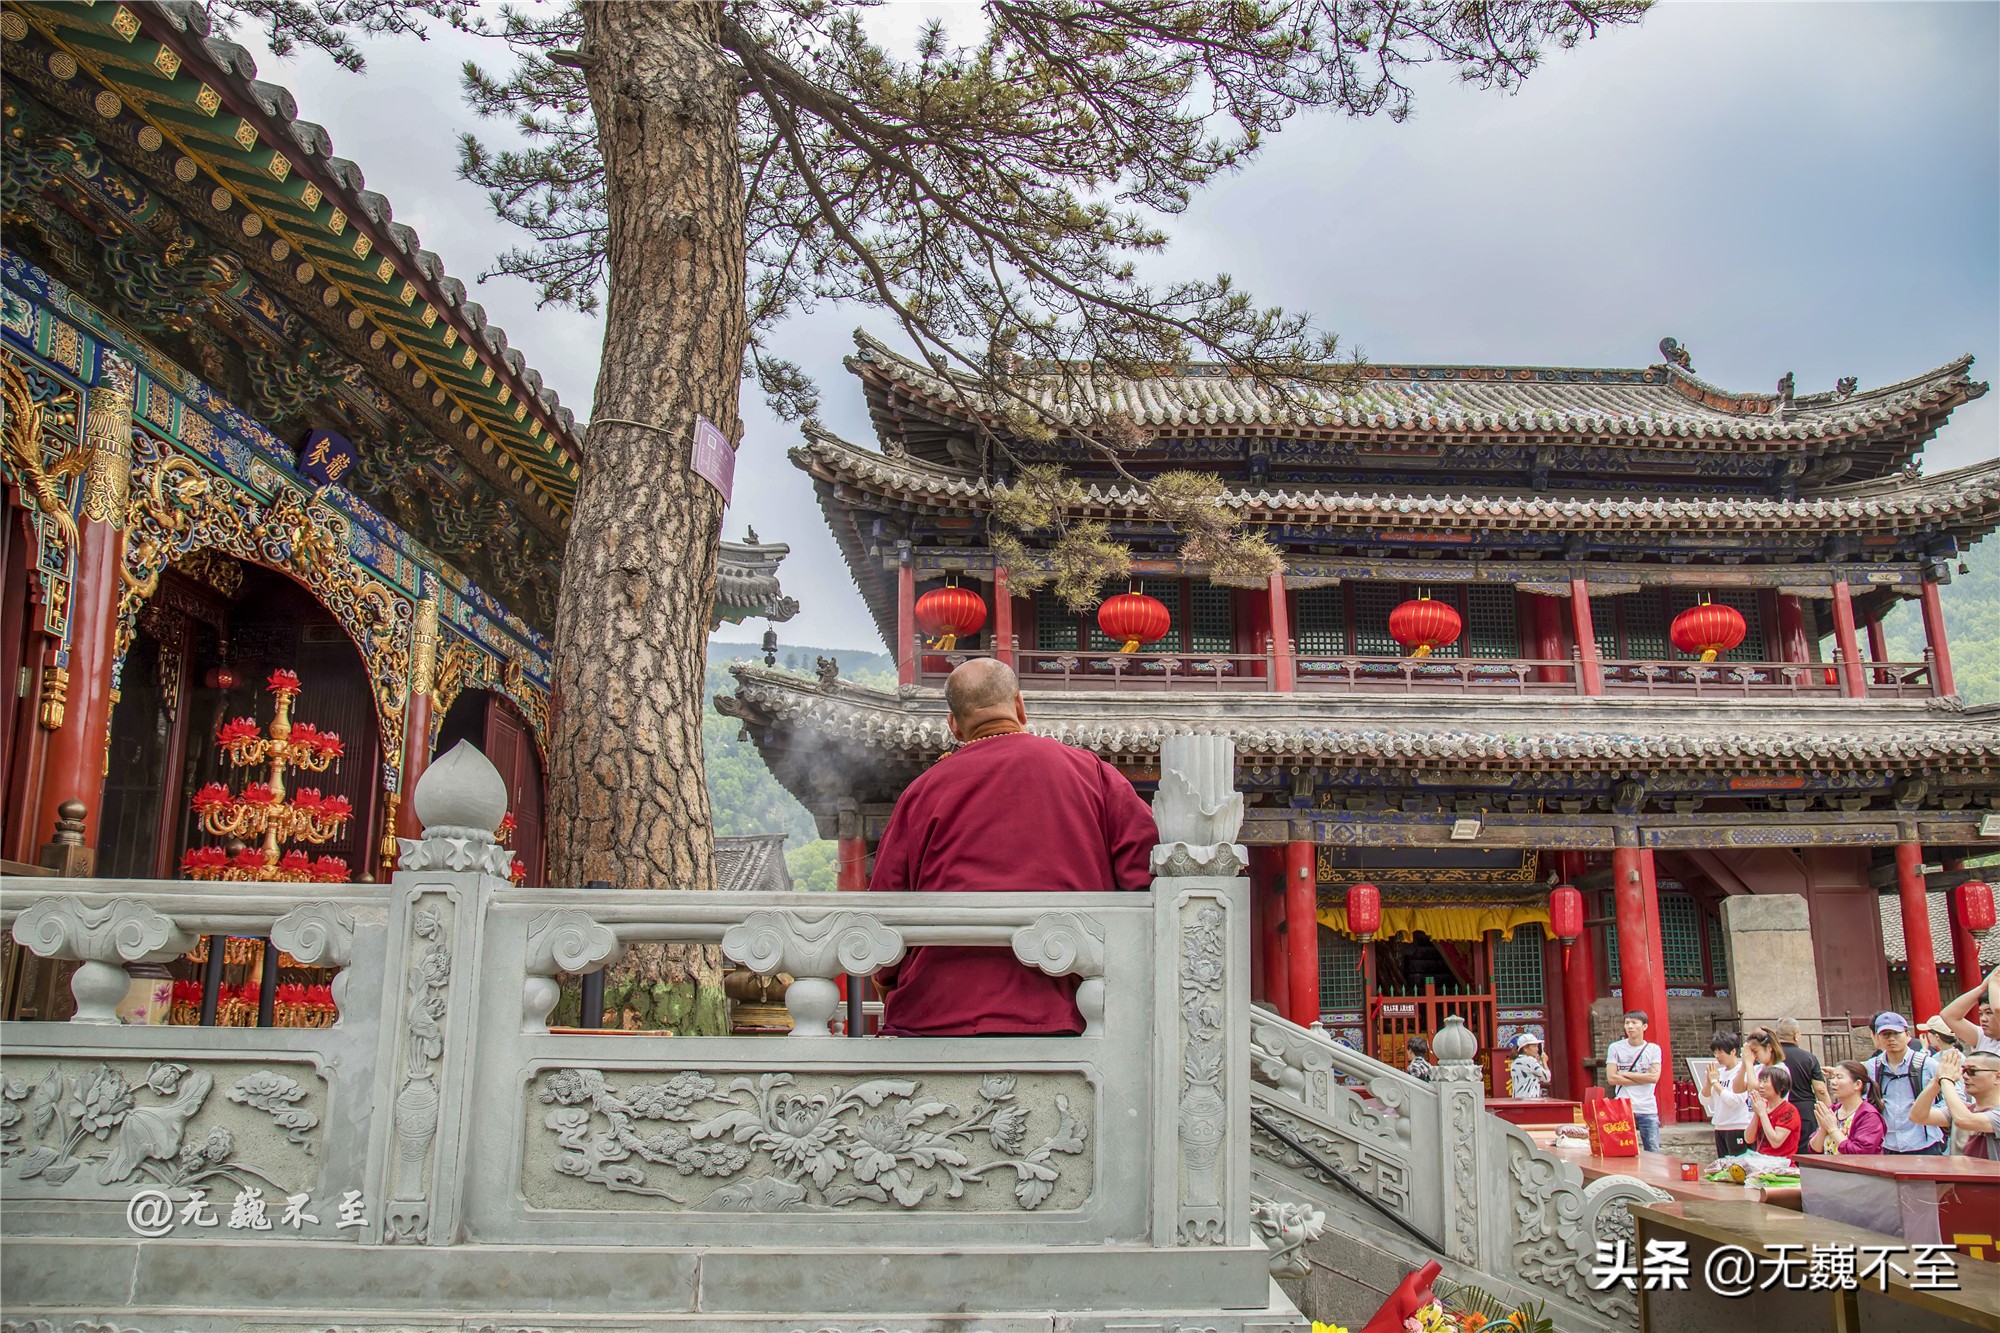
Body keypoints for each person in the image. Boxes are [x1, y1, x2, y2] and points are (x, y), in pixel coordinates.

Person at [867, 659, 1157, 1036]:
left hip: (934, 1015)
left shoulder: (922, 792)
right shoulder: (1093, 774)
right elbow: (1146, 879)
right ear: (1020, 706)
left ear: (953, 725)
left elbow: (883, 912)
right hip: (1072, 1010)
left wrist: (888, 982)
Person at [1864, 1012, 1946, 1156]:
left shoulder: (1928, 1064)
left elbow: (1953, 1098)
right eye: (1885, 1034)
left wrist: (1927, 1110)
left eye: (1896, 1033)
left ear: (1908, 1035)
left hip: (1924, 1142)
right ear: (1878, 1037)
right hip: (1886, 1143)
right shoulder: (1872, 1067)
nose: (1891, 1039)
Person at [1910, 1046, 2000, 1158]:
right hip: (1960, 1174)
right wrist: (1936, 1081)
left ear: (1997, 1077)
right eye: (1963, 1071)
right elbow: (1917, 1116)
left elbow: (1964, 1120)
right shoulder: (1963, 1109)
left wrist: (1946, 1080)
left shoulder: (1993, 1113)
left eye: (1972, 1071)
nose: (1965, 1076)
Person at [1606, 1010, 1664, 1153]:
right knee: (1622, 1151)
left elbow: (1654, 1078)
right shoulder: (1615, 1048)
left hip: (1647, 1108)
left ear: (1644, 1026)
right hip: (1623, 1107)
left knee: (1653, 1151)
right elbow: (1612, 1078)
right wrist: (1643, 1078)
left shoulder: (1653, 1049)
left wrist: (1625, 1074)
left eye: (1634, 1023)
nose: (1630, 1027)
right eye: (1627, 1023)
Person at [1773, 1018, 1829, 1151]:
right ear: (1796, 1036)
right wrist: (1829, 1111)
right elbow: (1820, 1089)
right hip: (1804, 1110)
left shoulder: (1771, 1057)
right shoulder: (1808, 1058)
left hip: (1778, 1109)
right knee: (1805, 1152)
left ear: (1775, 1034)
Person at [1810, 1061, 1887, 1156]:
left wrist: (1832, 1129)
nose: (1833, 1082)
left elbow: (1860, 1152)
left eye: (1839, 1077)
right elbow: (1814, 1149)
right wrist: (1823, 1128)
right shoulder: (1833, 1110)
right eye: (1833, 1077)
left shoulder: (1869, 1116)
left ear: (1857, 1084)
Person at [1702, 1031, 1754, 1158]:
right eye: (1715, 1052)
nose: (1717, 1056)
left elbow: (1734, 1100)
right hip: (1720, 1126)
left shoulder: (1742, 1071)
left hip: (1738, 1125)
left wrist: (1715, 1082)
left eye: (1721, 1052)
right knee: (1723, 1167)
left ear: (1733, 1052)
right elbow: (1704, 1100)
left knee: (1739, 1167)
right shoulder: (1718, 1072)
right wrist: (1709, 1082)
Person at [1938, 963, 2000, 1056]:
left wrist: (1994, 981)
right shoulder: (1982, 1038)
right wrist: (1982, 987)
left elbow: (1997, 1009)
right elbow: (1948, 1015)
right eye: (1980, 1013)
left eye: (1989, 1013)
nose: (1983, 1019)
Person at [1744, 1064, 1803, 1159]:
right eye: (1760, 1081)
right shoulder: (1763, 1106)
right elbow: (1748, 1139)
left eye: (1766, 1082)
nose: (1761, 1086)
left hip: (1782, 1164)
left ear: (1781, 1087)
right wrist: (1757, 1113)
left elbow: (1776, 1142)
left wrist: (1762, 1113)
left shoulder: (1789, 1110)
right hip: (1761, 1161)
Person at [1508, 1032, 1551, 1099]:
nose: (1537, 1049)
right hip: (1530, 1100)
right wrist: (1544, 1062)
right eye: (1534, 1046)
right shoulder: (1530, 1060)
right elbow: (1546, 1078)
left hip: (1517, 1099)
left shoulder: (1515, 1061)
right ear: (1525, 1048)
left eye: (1537, 1046)